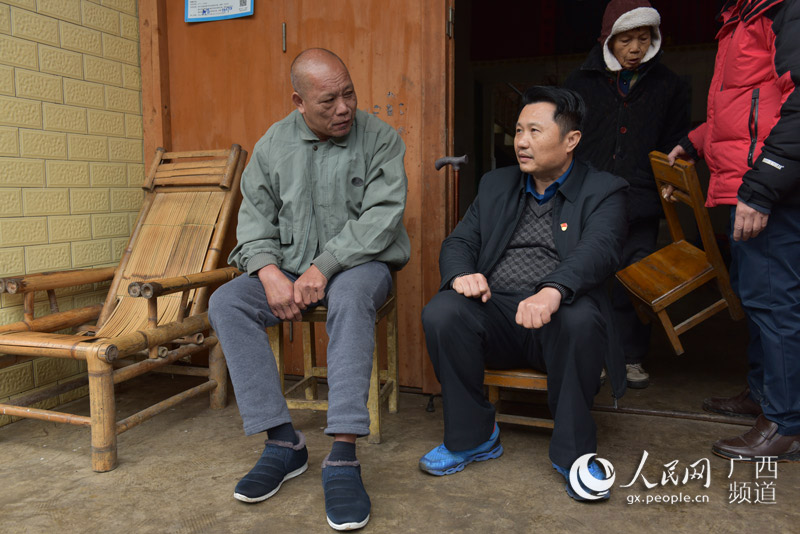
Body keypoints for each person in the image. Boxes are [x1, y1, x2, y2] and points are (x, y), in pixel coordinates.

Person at [208, 48, 410, 531]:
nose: (344, 108)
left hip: (361, 264)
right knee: (226, 302)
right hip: (290, 268)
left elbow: (382, 219)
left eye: (349, 94)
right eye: (328, 101)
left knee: (350, 296)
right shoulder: (272, 145)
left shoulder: (380, 138)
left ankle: (342, 455)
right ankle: (283, 442)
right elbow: (254, 222)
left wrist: (325, 266)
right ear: (298, 102)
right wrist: (267, 271)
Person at [419, 86, 628, 500]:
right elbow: (460, 242)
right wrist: (462, 274)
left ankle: (574, 455)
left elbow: (599, 250)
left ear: (571, 140)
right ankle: (472, 438)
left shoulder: (605, 190)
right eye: (518, 130)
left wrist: (553, 289)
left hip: (556, 318)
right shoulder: (496, 184)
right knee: (443, 311)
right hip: (496, 314)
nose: (521, 141)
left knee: (580, 318)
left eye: (535, 131)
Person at [666, 0, 800, 460]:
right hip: (747, 184)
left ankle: (786, 422)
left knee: (776, 304)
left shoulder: (783, 10)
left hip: (772, 189)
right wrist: (695, 140)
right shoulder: (741, 17)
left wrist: (763, 186)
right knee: (757, 297)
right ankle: (764, 396)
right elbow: (748, 104)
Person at [564, 0, 689, 389]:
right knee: (590, 277)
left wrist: (671, 179)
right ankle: (594, 354)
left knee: (635, 281)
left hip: (641, 201)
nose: (635, 49)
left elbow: (675, 142)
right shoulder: (579, 83)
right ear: (608, 39)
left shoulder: (669, 85)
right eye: (626, 40)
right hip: (589, 200)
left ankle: (631, 356)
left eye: (643, 38)